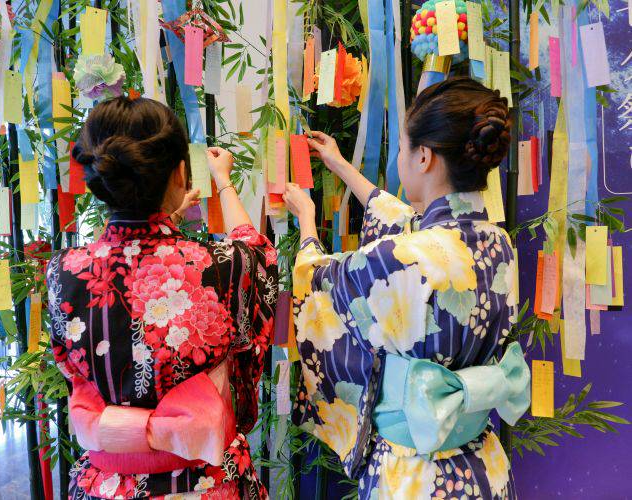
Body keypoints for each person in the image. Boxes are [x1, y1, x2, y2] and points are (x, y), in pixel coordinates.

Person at [284, 77, 531, 499]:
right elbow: (413, 227)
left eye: (401, 148)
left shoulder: (400, 257)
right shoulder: (498, 242)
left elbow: (316, 283)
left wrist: (308, 223)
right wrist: (341, 166)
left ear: (423, 157)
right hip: (484, 466)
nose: (401, 157)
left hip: (415, 474)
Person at [47, 96, 278, 499]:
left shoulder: (63, 271)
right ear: (179, 173)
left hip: (106, 486)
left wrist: (164, 215)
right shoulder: (222, 267)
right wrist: (223, 180)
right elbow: (257, 251)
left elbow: (74, 366)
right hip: (204, 484)